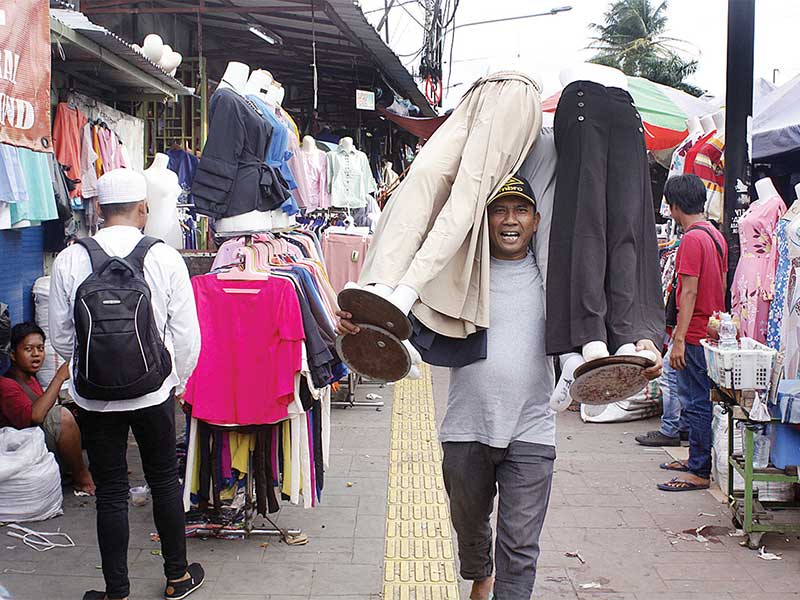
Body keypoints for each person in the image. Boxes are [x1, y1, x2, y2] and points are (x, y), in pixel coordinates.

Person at [338, 173, 663, 599]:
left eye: (521, 210)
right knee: (468, 523)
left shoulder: (557, 284)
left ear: (536, 220)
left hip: (532, 430)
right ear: (485, 219)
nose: (510, 220)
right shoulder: (456, 278)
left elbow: (607, 322)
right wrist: (356, 323)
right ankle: (479, 572)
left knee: (521, 546)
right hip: (465, 429)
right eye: (500, 210)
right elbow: (397, 318)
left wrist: (641, 353)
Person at [49, 169, 204, 600]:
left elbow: (63, 338)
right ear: (143, 209)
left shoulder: (70, 258)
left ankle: (116, 590)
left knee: (112, 491)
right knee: (162, 481)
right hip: (154, 391)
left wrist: (89, 370)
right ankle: (177, 577)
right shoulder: (164, 256)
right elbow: (187, 334)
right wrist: (178, 381)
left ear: (98, 209)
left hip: (94, 397)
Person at [657, 174, 727, 492]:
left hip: (696, 333)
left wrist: (680, 339)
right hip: (709, 330)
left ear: (674, 206)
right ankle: (694, 459)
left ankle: (699, 469)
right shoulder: (715, 235)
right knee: (698, 399)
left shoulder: (691, 240)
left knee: (696, 401)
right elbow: (719, 286)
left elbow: (688, 292)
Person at [0, 322, 95, 494]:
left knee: (93, 411)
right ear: (13, 355)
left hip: (38, 444)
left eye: (40, 348)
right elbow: (35, 417)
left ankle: (106, 466)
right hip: (22, 452)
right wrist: (59, 377)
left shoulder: (30, 378)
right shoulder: (6, 385)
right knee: (61, 417)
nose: (36, 354)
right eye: (28, 349)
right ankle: (81, 477)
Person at [635, 343, 689, 447]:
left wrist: (679, 337)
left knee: (670, 376)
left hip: (690, 334)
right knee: (685, 378)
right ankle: (683, 427)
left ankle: (670, 430)